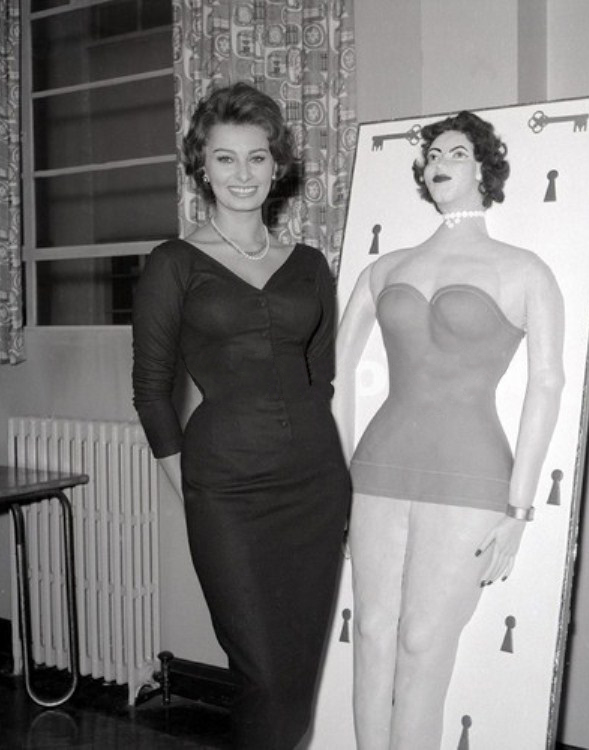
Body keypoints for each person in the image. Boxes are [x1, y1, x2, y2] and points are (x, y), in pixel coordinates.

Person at [333, 111, 565, 750]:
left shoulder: (525, 271)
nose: (439, 162)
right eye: (432, 153)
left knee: (421, 643)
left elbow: (547, 385)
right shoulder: (383, 270)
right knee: (372, 635)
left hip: (471, 474)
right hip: (378, 468)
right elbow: (334, 377)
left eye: (456, 152)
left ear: (484, 168)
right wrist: (336, 477)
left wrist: (519, 509)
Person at [131, 82, 350, 750]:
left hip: (314, 488)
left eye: (257, 157)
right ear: (202, 168)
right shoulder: (173, 265)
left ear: (276, 165)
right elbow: (152, 392)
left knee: (297, 678)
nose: (243, 174)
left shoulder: (309, 265)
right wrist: (193, 491)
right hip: (224, 491)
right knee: (263, 672)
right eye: (225, 158)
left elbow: (320, 379)